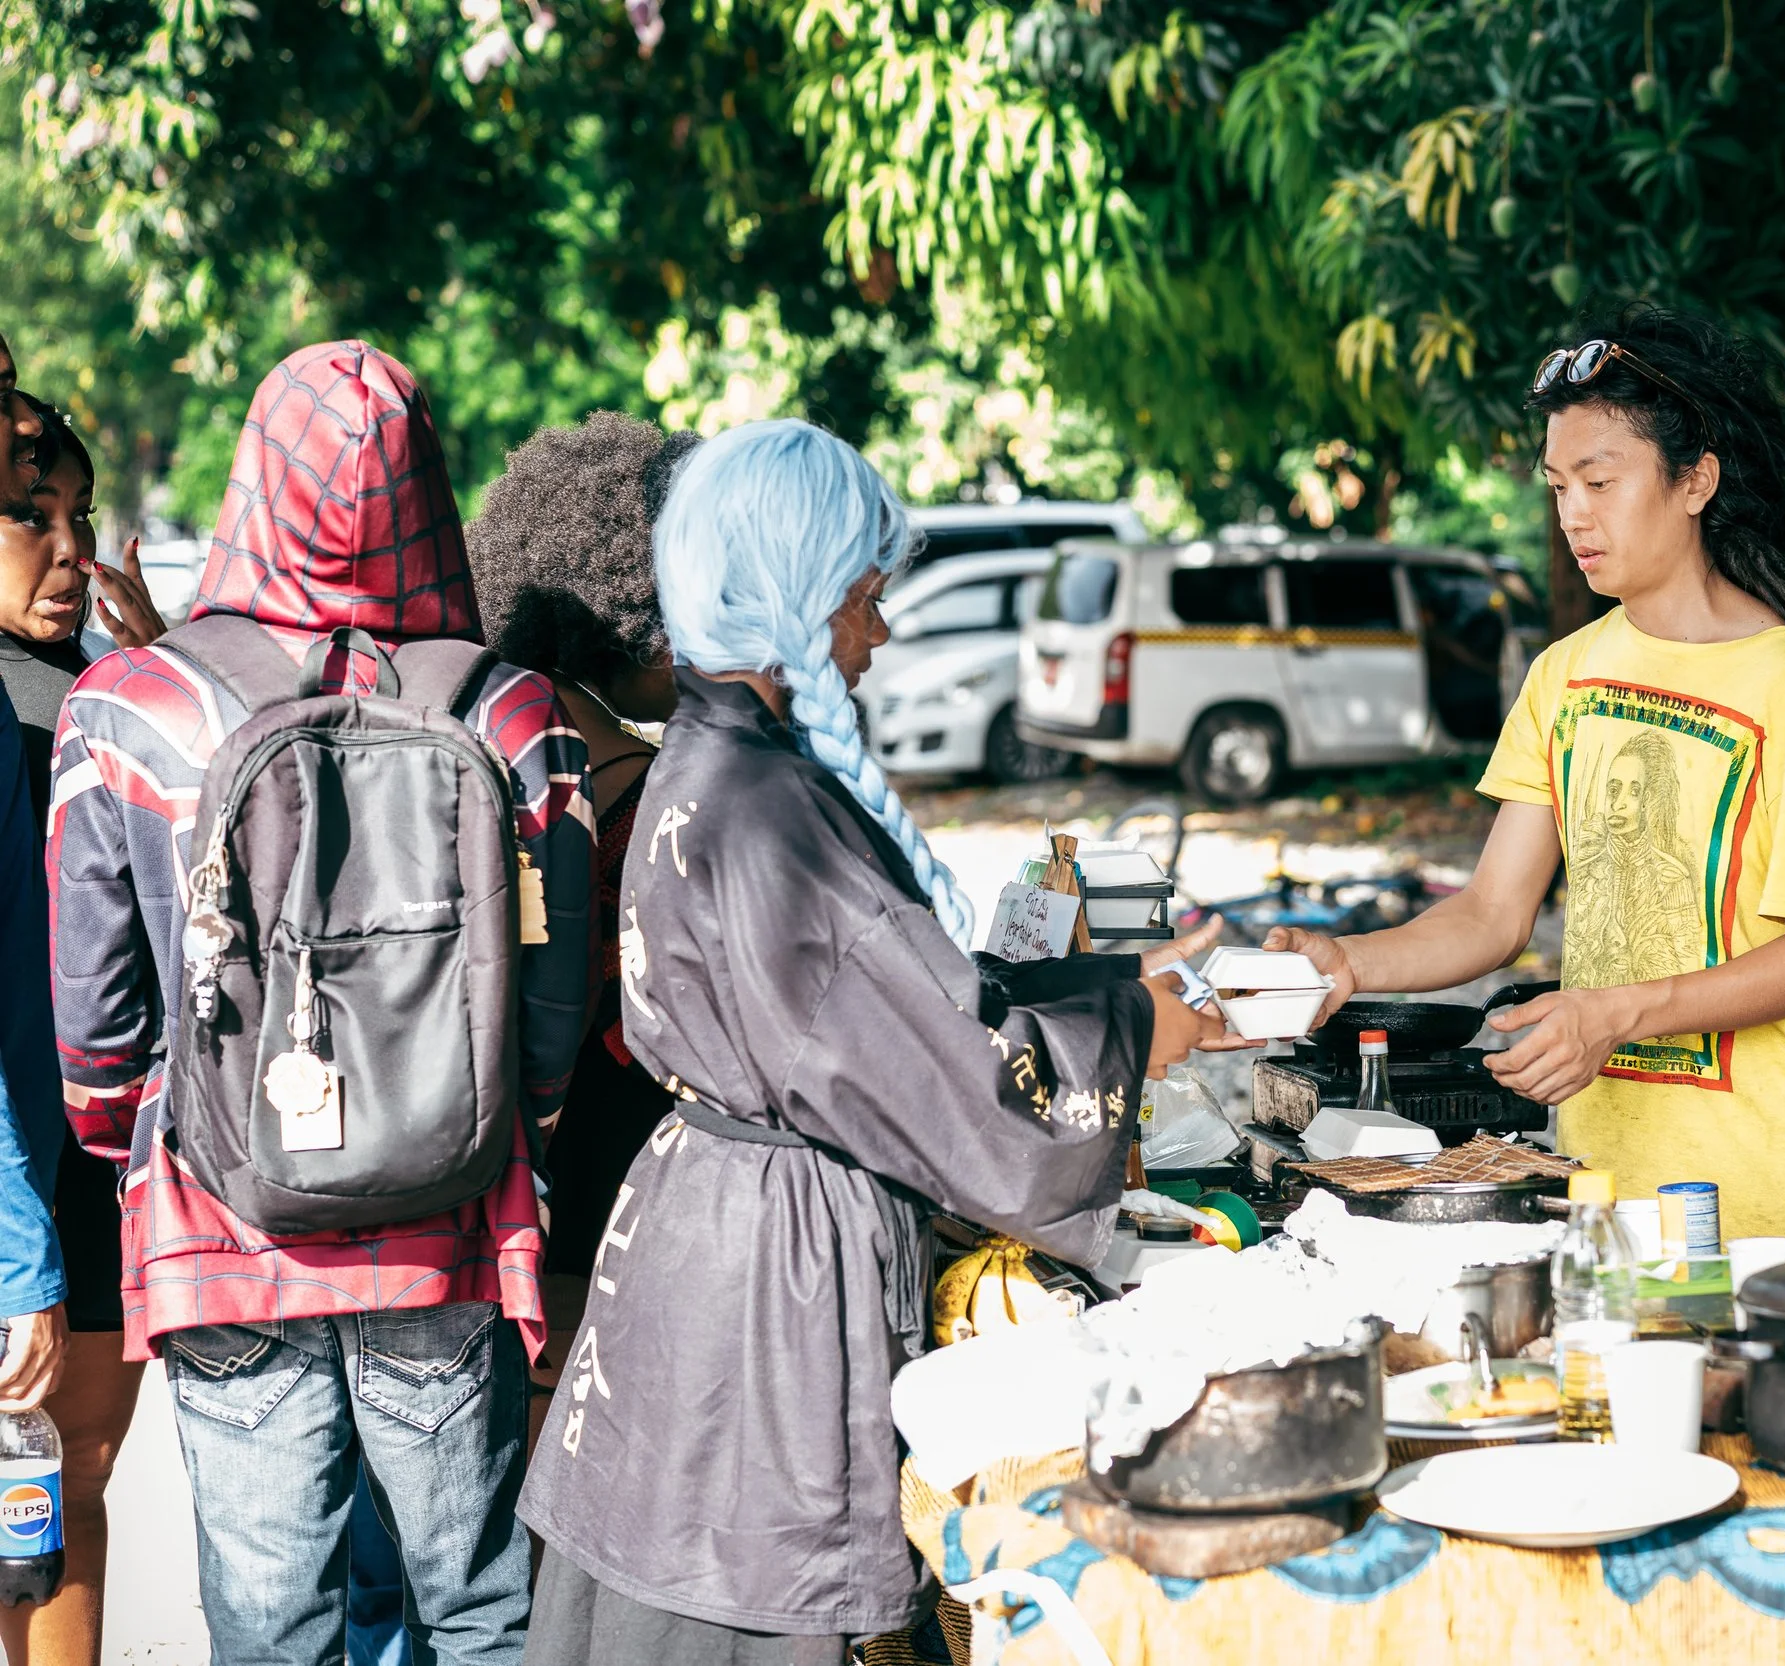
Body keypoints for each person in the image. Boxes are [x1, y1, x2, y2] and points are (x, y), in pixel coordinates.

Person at [516, 418, 1223, 1662]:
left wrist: (1103, 982)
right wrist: (1134, 1025)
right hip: (763, 1276)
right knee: (735, 1600)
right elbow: (943, 1064)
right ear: (794, 594)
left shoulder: (703, 755)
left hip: (702, 1228)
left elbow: (896, 986)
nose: (879, 635)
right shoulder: (764, 802)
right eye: (864, 599)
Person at [47, 340, 593, 1666]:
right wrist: (486, 1125)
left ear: (252, 483)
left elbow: (96, 1028)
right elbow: (552, 1009)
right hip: (449, 1224)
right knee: (477, 1609)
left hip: (224, 1226)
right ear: (428, 494)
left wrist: (162, 1137)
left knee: (272, 1623)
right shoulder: (516, 714)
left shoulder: (129, 710)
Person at [1269, 303, 1785, 1246]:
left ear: (1696, 482)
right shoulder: (1566, 674)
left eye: (1601, 481)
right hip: (1616, 1187)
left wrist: (1619, 1011)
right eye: (1559, 486)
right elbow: (1491, 913)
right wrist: (1349, 962)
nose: (1573, 514)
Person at [461, 411, 693, 1436]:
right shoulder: (646, 791)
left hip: (470, 1170)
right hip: (606, 1181)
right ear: (631, 610)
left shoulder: (466, 738)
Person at [0, 403, 164, 1666]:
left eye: (81, 519)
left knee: (56, 1499)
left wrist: (162, 667)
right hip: (21, 1198)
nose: (69, 551)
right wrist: (20, 1259)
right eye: (29, 519)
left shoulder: (100, 695)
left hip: (96, 1176)